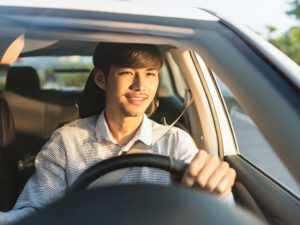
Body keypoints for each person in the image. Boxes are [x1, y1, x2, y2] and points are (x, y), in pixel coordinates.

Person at [0, 43, 236, 224]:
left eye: (150, 74)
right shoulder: (67, 141)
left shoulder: (175, 142)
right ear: (101, 79)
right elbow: (35, 212)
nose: (140, 86)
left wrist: (214, 193)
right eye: (127, 73)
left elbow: (215, 211)